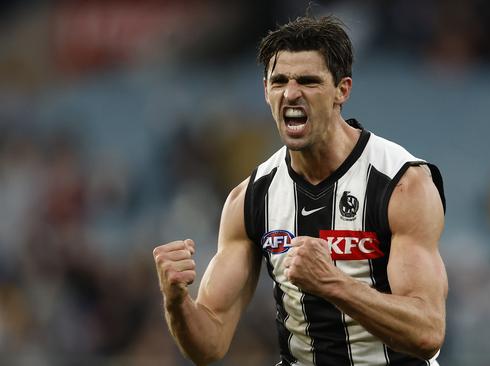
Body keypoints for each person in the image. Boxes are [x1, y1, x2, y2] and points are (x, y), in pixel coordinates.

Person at [153, 15, 448, 366]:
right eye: (279, 81)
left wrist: (332, 283)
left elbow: (427, 332)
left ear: (342, 90)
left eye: (308, 81)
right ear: (266, 90)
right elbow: (209, 344)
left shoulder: (401, 183)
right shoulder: (251, 198)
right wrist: (176, 302)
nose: (291, 93)